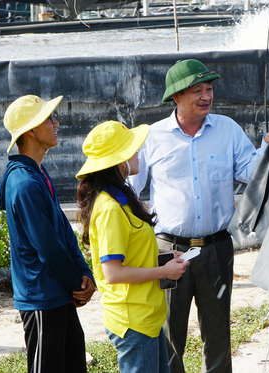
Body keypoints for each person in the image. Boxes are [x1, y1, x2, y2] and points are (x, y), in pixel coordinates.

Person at [129, 59, 269, 373]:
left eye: (209, 89)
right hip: (167, 250)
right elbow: (130, 189)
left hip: (216, 248)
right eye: (197, 90)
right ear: (175, 97)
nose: (207, 96)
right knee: (169, 333)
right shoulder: (152, 136)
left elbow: (250, 171)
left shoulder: (227, 130)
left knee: (217, 334)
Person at [75, 120, 189, 373]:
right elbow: (113, 273)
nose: (138, 153)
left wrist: (163, 257)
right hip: (133, 321)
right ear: (119, 160)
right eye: (133, 148)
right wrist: (164, 271)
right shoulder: (110, 209)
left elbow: (132, 250)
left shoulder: (122, 200)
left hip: (146, 315)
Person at [0, 94, 96, 373]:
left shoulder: (38, 173)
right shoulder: (23, 183)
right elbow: (47, 247)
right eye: (49, 119)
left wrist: (83, 273)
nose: (56, 123)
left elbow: (63, 229)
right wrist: (78, 284)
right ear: (30, 132)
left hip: (59, 292)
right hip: (42, 295)